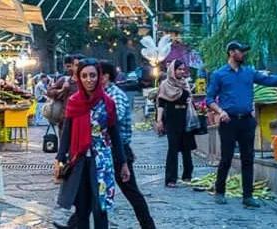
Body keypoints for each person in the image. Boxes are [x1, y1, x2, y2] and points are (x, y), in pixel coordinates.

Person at [206, 41, 277, 208]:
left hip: (247, 121)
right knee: (226, 158)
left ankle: (247, 196)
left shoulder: (249, 72)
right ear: (231, 53)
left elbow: (269, 80)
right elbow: (209, 99)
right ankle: (219, 191)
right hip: (228, 121)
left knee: (248, 158)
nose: (243, 54)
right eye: (240, 51)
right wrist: (221, 112)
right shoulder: (219, 74)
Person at [54, 60, 131, 229]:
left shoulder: (107, 103)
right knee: (81, 209)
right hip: (78, 161)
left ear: (99, 76)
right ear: (79, 78)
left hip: (102, 162)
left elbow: (114, 134)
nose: (89, 80)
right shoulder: (74, 102)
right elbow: (66, 133)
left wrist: (123, 162)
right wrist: (59, 158)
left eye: (93, 75)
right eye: (84, 76)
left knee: (100, 207)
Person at [101, 61, 156, 229]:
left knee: (131, 191)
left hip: (118, 149)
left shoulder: (115, 95)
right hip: (102, 150)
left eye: (96, 75)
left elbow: (112, 120)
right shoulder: (102, 94)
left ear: (106, 76)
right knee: (94, 190)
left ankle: (148, 225)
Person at [156, 60, 196, 188]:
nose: (181, 72)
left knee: (186, 148)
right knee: (173, 148)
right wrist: (159, 120)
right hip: (172, 119)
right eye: (179, 69)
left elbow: (189, 99)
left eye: (183, 69)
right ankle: (171, 179)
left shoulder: (185, 84)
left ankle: (187, 175)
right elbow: (161, 103)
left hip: (185, 117)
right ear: (172, 70)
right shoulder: (165, 85)